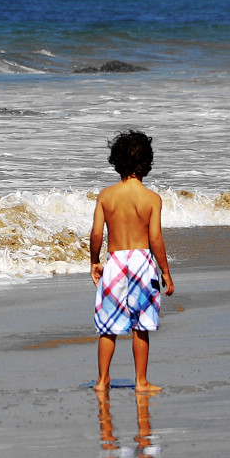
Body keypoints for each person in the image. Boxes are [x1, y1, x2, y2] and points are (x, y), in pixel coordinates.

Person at [90, 130, 174, 393]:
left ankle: (103, 381)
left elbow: (96, 233)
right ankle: (141, 381)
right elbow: (155, 238)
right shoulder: (151, 199)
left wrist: (94, 261)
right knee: (142, 323)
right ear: (146, 163)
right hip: (141, 261)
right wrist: (166, 272)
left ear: (116, 161)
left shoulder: (106, 196)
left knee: (108, 325)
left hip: (114, 261)